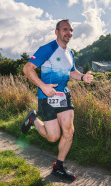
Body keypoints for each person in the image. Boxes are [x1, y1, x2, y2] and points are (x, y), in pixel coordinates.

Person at [22, 19, 93, 181]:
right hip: (47, 97)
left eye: (71, 30)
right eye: (65, 29)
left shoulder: (70, 53)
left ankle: (58, 167)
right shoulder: (47, 49)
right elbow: (27, 68)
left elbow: (71, 72)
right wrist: (43, 86)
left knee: (69, 131)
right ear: (57, 32)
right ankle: (33, 119)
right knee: (53, 137)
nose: (69, 32)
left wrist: (82, 77)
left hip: (64, 96)